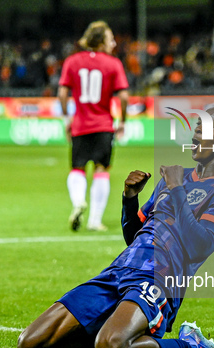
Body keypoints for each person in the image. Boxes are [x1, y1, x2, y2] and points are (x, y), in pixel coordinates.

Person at [17, 105, 214, 348]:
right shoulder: (175, 178)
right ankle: (112, 323)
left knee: (112, 346)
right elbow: (133, 236)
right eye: (198, 126)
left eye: (207, 127)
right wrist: (130, 198)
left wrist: (177, 188)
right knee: (30, 342)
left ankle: (191, 344)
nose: (196, 132)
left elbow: (199, 247)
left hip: (159, 278)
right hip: (120, 270)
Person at [59, 21, 129, 231]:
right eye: (110, 39)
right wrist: (123, 120)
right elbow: (124, 96)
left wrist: (66, 118)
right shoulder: (113, 63)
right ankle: (94, 221)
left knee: (77, 168)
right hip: (104, 125)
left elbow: (62, 93)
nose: (114, 43)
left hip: (80, 125)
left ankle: (78, 201)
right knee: (102, 169)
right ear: (100, 42)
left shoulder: (72, 61)